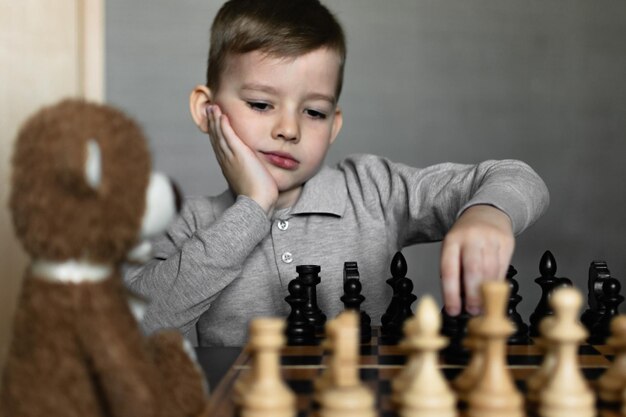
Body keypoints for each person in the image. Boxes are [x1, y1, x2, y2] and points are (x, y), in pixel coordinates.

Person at [124, 0, 549, 346]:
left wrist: (488, 212)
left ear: (334, 125)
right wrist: (251, 208)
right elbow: (135, 324)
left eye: (314, 112)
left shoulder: (372, 191)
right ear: (206, 109)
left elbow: (518, 177)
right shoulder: (184, 226)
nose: (288, 129)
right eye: (260, 104)